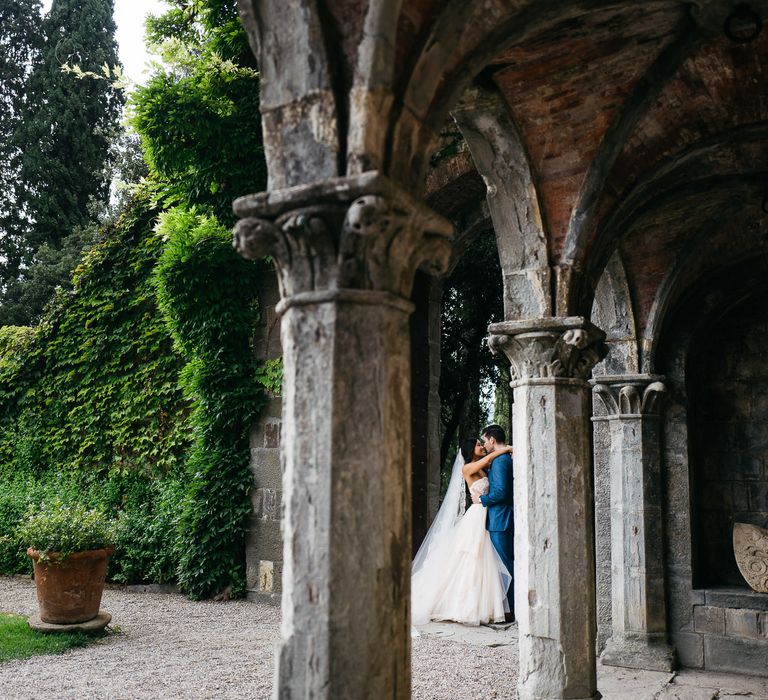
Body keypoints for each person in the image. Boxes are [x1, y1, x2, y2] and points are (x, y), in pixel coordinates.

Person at [411, 437, 514, 627]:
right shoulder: (468, 468)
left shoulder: (482, 467)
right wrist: (508, 448)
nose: (481, 446)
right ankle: (463, 605)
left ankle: (485, 606)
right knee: (472, 557)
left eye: (481, 443)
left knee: (484, 559)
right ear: (469, 449)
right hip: (476, 515)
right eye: (477, 444)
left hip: (485, 513)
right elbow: (491, 456)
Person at [473, 424, 514, 621]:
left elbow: (500, 492)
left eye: (485, 440)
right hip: (501, 518)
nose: (484, 445)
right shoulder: (503, 458)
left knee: (505, 566)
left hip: (500, 519)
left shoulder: (500, 461)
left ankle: (511, 610)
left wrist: (482, 500)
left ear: (491, 439)